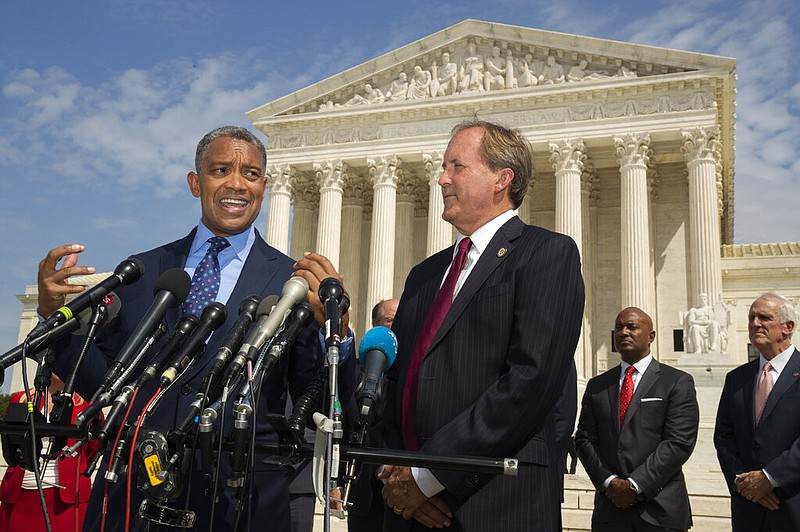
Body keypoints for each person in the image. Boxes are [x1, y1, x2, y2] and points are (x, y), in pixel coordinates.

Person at [37, 125, 356, 531]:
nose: (237, 184)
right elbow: (100, 382)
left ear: (265, 186)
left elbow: (321, 401)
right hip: (135, 498)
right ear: (195, 182)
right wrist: (53, 319)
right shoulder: (144, 270)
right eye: (221, 170)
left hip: (239, 505)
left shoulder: (290, 284)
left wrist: (337, 333)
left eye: (252, 174)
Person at [379, 119, 584, 531]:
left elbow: (530, 380)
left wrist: (428, 475)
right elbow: (394, 381)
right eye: (443, 167)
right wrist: (394, 472)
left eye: (457, 166)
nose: (441, 179)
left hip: (495, 501)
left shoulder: (547, 254)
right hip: (408, 508)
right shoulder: (424, 274)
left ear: (501, 179)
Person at [575, 307, 699, 532]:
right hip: (610, 510)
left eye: (632, 327)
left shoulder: (676, 382)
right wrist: (609, 482)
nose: (623, 332)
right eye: (619, 328)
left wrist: (635, 485)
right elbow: (584, 439)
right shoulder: (598, 385)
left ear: (651, 336)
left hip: (659, 510)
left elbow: (678, 442)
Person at [714, 293, 800, 531]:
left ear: (788, 327)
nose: (754, 323)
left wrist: (770, 478)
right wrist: (747, 485)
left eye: (764, 317)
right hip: (748, 509)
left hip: (792, 503)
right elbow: (724, 436)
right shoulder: (736, 378)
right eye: (751, 317)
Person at [0, 376, 99, 532]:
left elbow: (92, 449)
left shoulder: (88, 406)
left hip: (66, 502)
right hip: (19, 497)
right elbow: (10, 441)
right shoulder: (20, 399)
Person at [345, 298, 399, 532]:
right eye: (389, 321)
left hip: (403, 490)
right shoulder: (354, 369)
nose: (394, 329)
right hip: (363, 491)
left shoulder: (415, 370)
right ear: (375, 325)